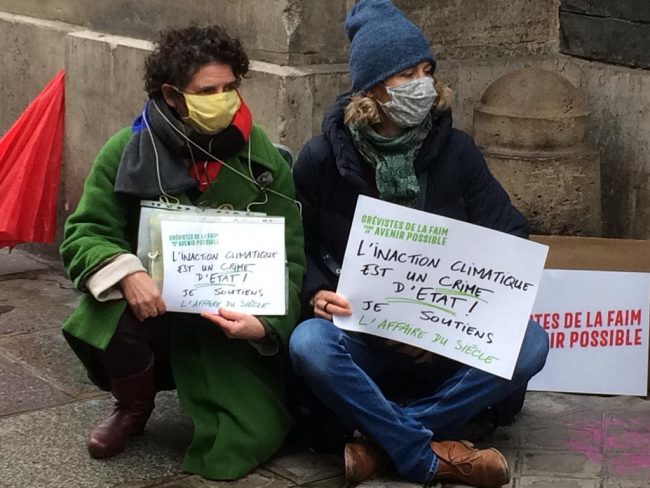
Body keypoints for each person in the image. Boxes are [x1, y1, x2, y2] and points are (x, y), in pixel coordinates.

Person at [289, 1, 549, 486]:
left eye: (426, 69)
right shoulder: (322, 158)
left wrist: (447, 325)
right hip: (362, 334)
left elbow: (509, 234)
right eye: (406, 74)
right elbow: (295, 246)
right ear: (371, 89)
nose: (422, 83)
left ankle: (385, 443)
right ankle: (431, 450)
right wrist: (315, 291)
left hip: (448, 339)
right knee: (309, 344)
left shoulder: (457, 151)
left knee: (531, 343)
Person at [60, 26, 305, 480]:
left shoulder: (263, 157)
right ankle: (133, 406)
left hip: (228, 315)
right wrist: (127, 272)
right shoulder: (126, 149)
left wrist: (264, 324)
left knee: (246, 437)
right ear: (172, 94)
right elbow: (85, 232)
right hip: (153, 306)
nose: (223, 98)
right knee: (106, 312)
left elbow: (290, 254)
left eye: (230, 87)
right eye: (207, 90)